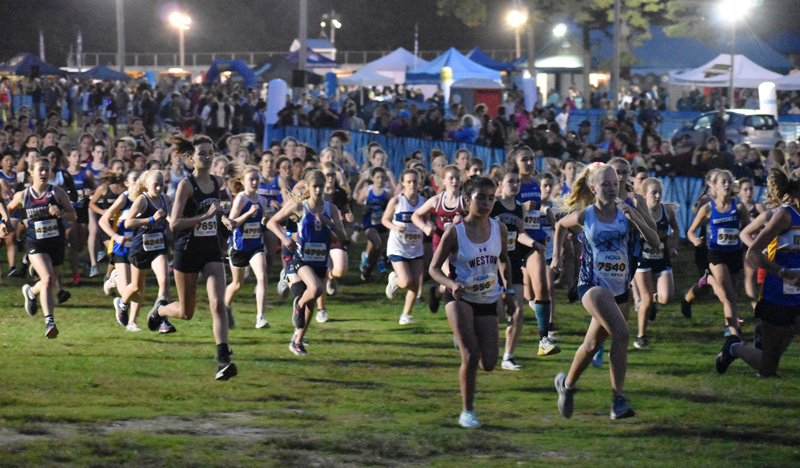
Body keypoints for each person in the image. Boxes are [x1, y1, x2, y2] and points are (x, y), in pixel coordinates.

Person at [551, 163, 660, 420]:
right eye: (605, 184)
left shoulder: (627, 212)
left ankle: (566, 385)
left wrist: (636, 219)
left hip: (619, 288)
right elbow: (560, 225)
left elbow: (655, 242)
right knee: (621, 333)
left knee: (591, 345)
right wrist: (556, 256)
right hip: (591, 285)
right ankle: (617, 400)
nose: (612, 188)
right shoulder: (585, 215)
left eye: (615, 183)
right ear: (593, 189)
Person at [146, 135, 238, 381]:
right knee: (187, 312)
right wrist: (204, 216)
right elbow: (175, 223)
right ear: (191, 158)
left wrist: (224, 219)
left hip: (211, 250)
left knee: (217, 303)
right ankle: (161, 310)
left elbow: (215, 211)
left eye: (210, 153)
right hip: (187, 250)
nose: (207, 157)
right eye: (201, 153)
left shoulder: (218, 182)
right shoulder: (186, 185)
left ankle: (223, 359)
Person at [429, 176, 514, 428]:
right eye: (481, 198)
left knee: (488, 363)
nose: (487, 203)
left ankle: (462, 337)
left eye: (491, 198)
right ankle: (467, 412)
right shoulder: (455, 232)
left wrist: (509, 292)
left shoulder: (499, 229)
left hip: (487, 297)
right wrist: (451, 283)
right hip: (460, 297)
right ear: (467, 200)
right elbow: (434, 268)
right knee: (470, 354)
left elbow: (504, 259)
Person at [717, 167, 800, 377]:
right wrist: (784, 273)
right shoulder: (784, 216)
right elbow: (753, 253)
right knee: (768, 367)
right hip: (777, 296)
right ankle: (733, 347)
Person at [267, 169, 347, 356]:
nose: (318, 190)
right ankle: (298, 304)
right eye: (315, 186)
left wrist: (329, 223)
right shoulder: (299, 206)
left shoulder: (330, 209)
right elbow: (272, 223)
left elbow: (343, 237)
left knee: (312, 303)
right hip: (301, 259)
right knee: (316, 289)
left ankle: (297, 341)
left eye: (321, 186)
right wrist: (285, 238)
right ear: (308, 187)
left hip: (320, 260)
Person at [10, 157, 76, 338]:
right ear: (31, 172)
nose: (44, 173)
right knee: (47, 278)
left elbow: (73, 215)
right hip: (35, 243)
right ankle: (50, 321)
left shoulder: (57, 192)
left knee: (49, 281)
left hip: (56, 243)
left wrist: (61, 214)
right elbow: (8, 210)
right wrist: (4, 224)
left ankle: (31, 291)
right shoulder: (23, 195)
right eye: (41, 169)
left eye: (47, 170)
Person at [508, 145, 559, 356]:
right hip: (513, 242)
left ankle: (543, 340)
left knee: (543, 288)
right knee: (507, 296)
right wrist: (522, 207)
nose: (529, 163)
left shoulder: (535, 184)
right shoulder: (512, 182)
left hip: (534, 239)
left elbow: (535, 209)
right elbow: (503, 205)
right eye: (524, 159)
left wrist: (544, 210)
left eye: (531, 158)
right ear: (515, 162)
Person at [687, 170, 750, 338]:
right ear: (714, 186)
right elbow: (691, 231)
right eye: (723, 182)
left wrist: (746, 235)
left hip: (734, 253)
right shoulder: (708, 208)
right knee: (728, 292)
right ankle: (732, 328)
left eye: (730, 182)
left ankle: (731, 325)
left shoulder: (739, 207)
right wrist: (695, 240)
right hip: (716, 254)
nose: (727, 185)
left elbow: (750, 227)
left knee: (733, 292)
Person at [491, 168, 537, 370]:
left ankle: (508, 357)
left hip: (513, 262)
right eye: (511, 181)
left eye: (517, 181)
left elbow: (520, 233)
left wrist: (534, 243)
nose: (515, 184)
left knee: (518, 311)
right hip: (492, 264)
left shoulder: (520, 208)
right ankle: (472, 335)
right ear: (501, 184)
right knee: (498, 315)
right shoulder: (492, 205)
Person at [119, 170, 172, 332]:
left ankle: (162, 319)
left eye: (161, 185)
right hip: (140, 248)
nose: (159, 188)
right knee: (136, 287)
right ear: (146, 185)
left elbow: (170, 217)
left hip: (158, 247)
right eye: (156, 185)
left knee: (164, 281)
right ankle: (122, 304)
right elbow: (128, 223)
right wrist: (150, 219)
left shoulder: (165, 199)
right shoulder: (142, 200)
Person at [632, 178, 679, 349]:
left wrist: (673, 246)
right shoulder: (637, 211)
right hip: (643, 259)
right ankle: (641, 336)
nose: (658, 196)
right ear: (645, 194)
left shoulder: (667, 211)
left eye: (660, 192)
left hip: (661, 258)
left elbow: (675, 229)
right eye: (654, 193)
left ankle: (653, 301)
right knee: (645, 298)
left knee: (666, 297)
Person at [411, 164, 464, 313]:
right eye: (451, 178)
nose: (455, 181)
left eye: (457, 178)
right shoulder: (437, 200)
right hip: (441, 244)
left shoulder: (465, 201)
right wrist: (424, 228)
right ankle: (456, 313)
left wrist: (463, 220)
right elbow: (415, 215)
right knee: (450, 276)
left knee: (458, 278)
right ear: (443, 181)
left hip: (460, 245)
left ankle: (437, 292)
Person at [225, 166, 270, 329]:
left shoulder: (262, 200)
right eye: (251, 179)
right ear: (243, 182)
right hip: (239, 247)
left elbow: (263, 220)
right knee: (238, 284)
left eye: (257, 179)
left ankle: (260, 317)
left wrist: (265, 220)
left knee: (262, 277)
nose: (255, 182)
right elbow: (231, 223)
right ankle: (225, 307)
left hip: (256, 245)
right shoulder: (241, 199)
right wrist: (248, 213)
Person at [383, 169, 426, 324]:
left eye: (415, 181)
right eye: (409, 182)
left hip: (416, 247)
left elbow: (427, 219)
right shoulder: (396, 201)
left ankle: (405, 315)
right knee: (406, 281)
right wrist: (395, 227)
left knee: (415, 284)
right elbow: (385, 220)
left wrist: (428, 225)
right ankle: (394, 279)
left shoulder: (423, 201)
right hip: (398, 247)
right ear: (403, 183)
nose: (412, 184)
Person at [98, 170, 140, 329]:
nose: (138, 182)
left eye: (140, 179)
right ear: (127, 184)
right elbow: (103, 221)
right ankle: (115, 279)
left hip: (138, 248)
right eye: (134, 179)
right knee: (126, 290)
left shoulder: (145, 199)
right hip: (121, 248)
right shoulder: (124, 198)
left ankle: (132, 323)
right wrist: (116, 236)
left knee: (137, 287)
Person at [356, 167, 391, 281]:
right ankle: (367, 267)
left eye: (382, 177)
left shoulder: (387, 193)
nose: (380, 180)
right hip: (369, 223)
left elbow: (392, 206)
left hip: (381, 223)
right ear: (372, 178)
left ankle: (368, 269)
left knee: (378, 249)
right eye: (378, 177)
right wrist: (364, 206)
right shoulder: (368, 190)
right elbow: (358, 201)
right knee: (377, 244)